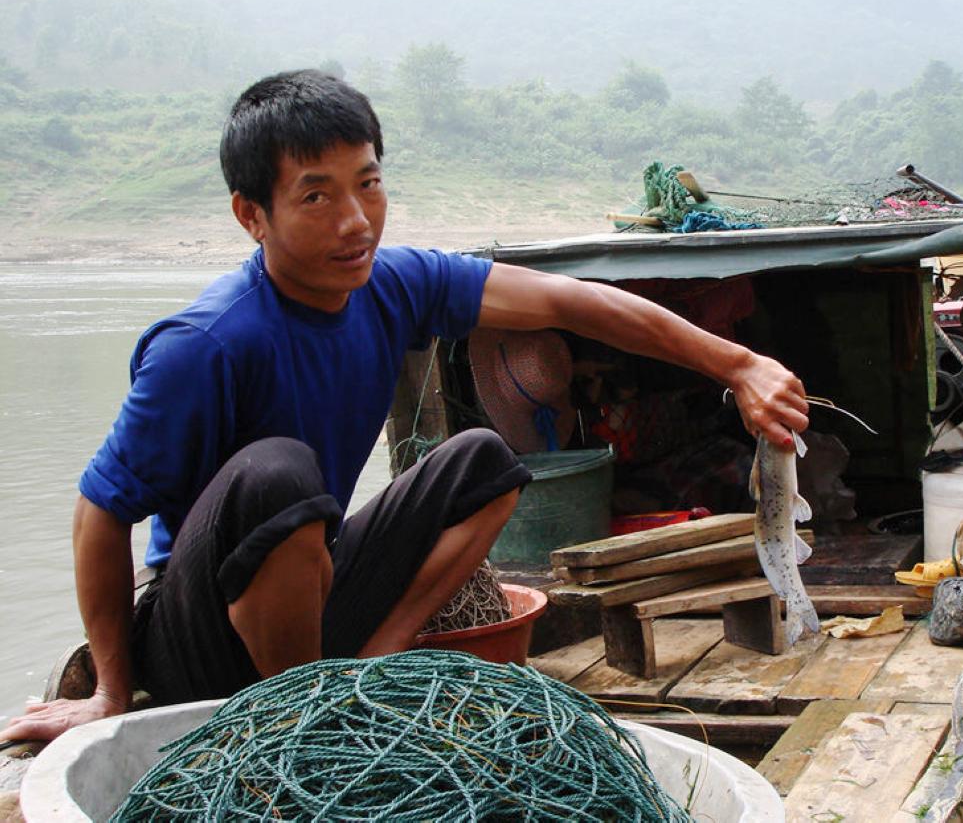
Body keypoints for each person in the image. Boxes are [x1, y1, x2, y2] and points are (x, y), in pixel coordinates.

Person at [0, 70, 807, 743]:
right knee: (279, 473)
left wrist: (736, 363)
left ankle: (369, 665)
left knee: (483, 463)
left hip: (309, 605)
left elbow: (570, 302)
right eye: (316, 197)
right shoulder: (206, 343)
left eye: (369, 184)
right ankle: (303, 720)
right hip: (198, 636)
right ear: (253, 215)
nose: (356, 221)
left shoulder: (397, 283)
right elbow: (98, 512)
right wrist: (110, 693)